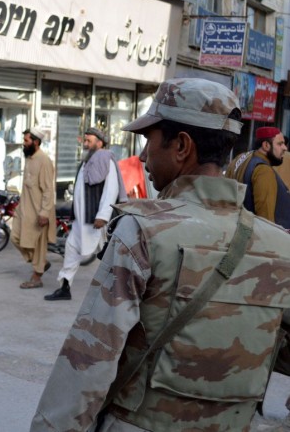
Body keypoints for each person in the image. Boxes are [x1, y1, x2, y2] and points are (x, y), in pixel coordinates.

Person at [30, 78, 290, 432]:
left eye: (148, 140)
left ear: (181, 146)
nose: (141, 156)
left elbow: (89, 359)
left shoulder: (143, 230)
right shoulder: (280, 245)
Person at [44, 127, 127, 301]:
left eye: (89, 141)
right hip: (80, 219)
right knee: (71, 249)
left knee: (107, 254)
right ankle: (65, 287)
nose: (86, 143)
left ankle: (120, 290)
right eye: (85, 140)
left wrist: (103, 216)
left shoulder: (106, 159)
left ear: (100, 142)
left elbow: (111, 190)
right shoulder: (87, 161)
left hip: (95, 219)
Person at [12, 127, 56, 289]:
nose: (23, 143)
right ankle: (40, 263)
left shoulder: (44, 161)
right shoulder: (30, 158)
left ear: (36, 142)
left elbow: (48, 190)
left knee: (38, 245)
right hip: (24, 209)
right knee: (15, 237)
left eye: (26, 140)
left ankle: (37, 277)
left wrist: (44, 213)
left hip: (39, 211)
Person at [225, 126, 289, 229]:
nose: (285, 148)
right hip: (255, 234)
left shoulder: (240, 158)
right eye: (280, 144)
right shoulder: (263, 170)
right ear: (266, 145)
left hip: (234, 227)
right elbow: (266, 223)